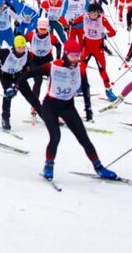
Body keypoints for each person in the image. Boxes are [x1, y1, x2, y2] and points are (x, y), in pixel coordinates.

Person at [18, 38, 117, 181]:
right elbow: (29, 74)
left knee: (83, 138)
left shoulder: (80, 69)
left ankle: (99, 167)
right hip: (50, 107)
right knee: (55, 136)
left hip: (68, 107)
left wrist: (88, 110)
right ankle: (49, 165)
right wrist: (18, 87)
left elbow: (86, 88)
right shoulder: (53, 66)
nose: (75, 59)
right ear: (66, 53)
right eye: (72, 55)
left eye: (78, 55)